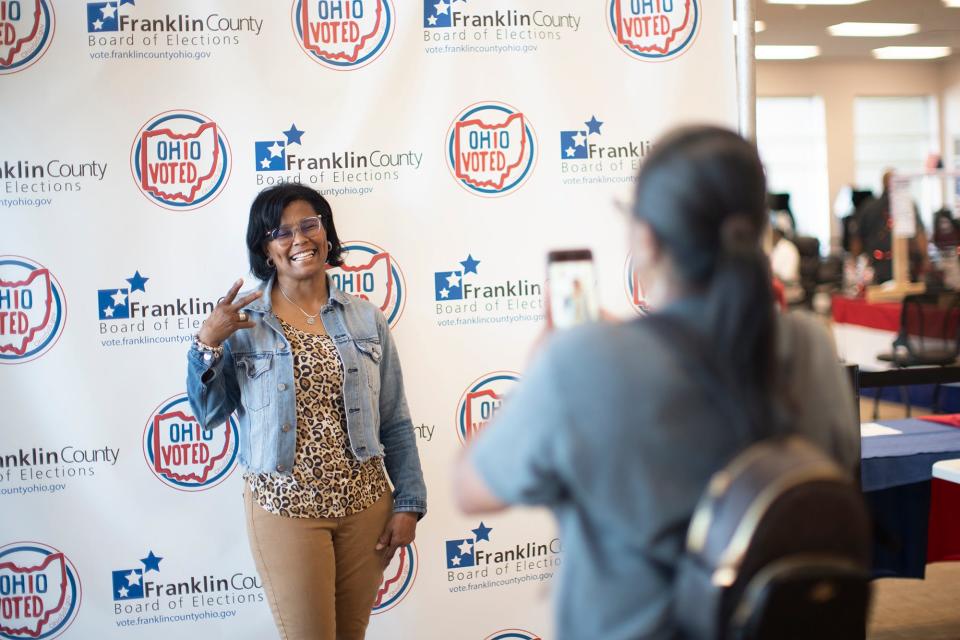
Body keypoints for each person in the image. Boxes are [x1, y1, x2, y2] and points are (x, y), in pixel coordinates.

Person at [453, 126, 859, 640]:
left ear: (646, 238)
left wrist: (547, 364)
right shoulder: (809, 344)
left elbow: (473, 488)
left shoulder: (582, 363)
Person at [186, 184, 426, 640]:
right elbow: (210, 414)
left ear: (326, 232)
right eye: (282, 232)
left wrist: (409, 504)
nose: (299, 239)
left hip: (365, 510)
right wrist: (207, 344)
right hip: (285, 508)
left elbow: (394, 418)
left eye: (309, 225)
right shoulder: (244, 322)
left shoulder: (365, 318)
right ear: (266, 247)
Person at [852, 169, 928, 283]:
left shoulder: (868, 207)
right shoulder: (907, 205)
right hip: (902, 265)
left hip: (880, 266)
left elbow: (857, 240)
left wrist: (855, 263)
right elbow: (920, 234)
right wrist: (925, 258)